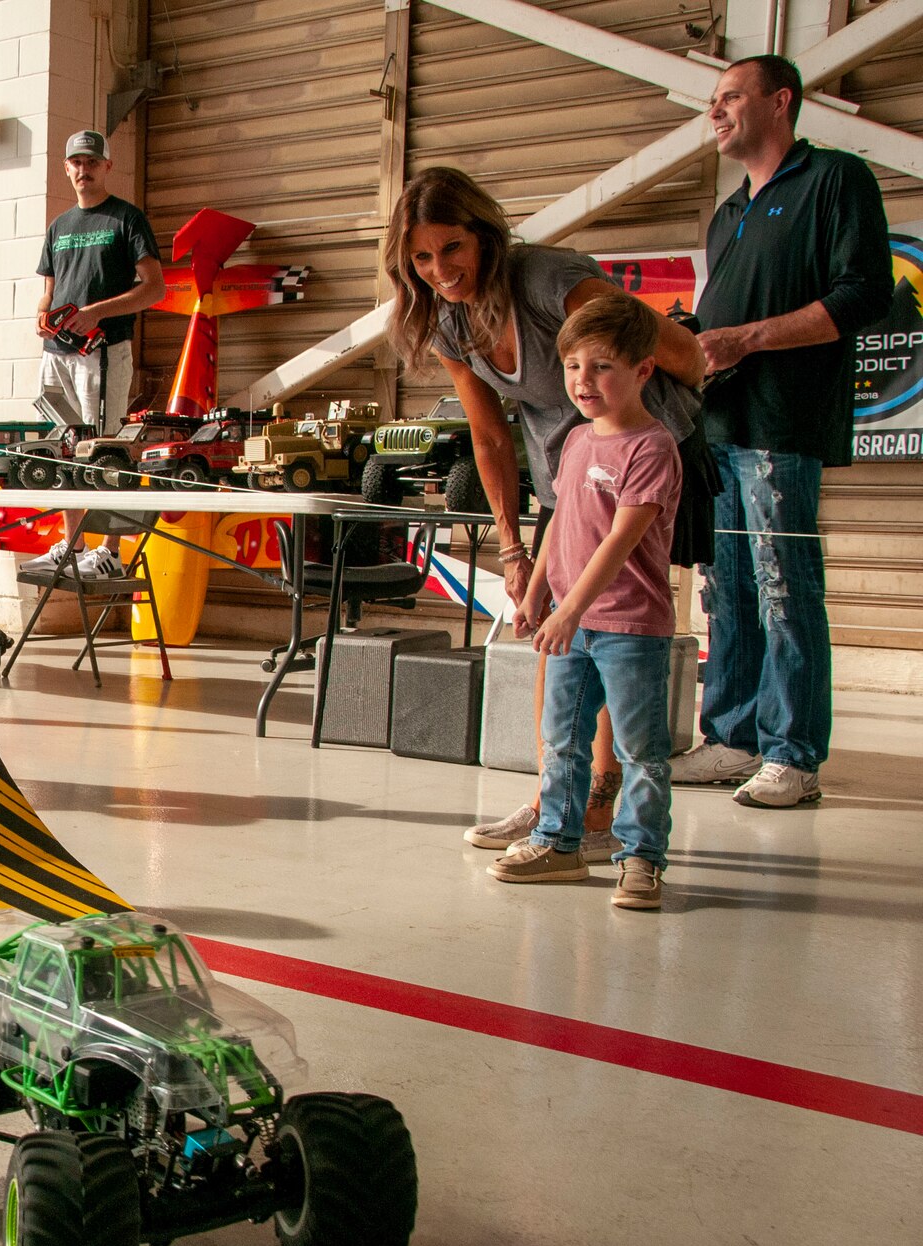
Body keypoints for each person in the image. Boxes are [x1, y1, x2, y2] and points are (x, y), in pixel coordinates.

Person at [381, 165, 705, 861]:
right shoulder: (448, 320)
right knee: (549, 629)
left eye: (452, 249)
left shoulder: (550, 280)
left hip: (636, 464)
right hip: (564, 475)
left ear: (484, 236)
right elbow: (491, 436)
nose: (440, 269)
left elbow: (682, 355)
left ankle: (602, 796)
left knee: (615, 625)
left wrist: (630, 442)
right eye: (422, 258)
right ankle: (550, 800)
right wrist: (512, 546)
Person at [670, 56, 893, 808]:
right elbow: (721, 318)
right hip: (720, 427)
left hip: (783, 426)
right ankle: (733, 738)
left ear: (780, 101)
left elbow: (864, 295)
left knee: (782, 587)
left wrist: (749, 340)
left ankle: (793, 754)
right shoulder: (728, 211)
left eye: (731, 95)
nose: (716, 110)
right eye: (714, 99)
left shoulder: (834, 180)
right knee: (725, 590)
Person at [489, 296, 684, 910]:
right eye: (573, 366)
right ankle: (559, 843)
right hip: (569, 623)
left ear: (643, 371)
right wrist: (537, 594)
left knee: (639, 750)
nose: (582, 382)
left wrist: (570, 608)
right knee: (563, 738)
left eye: (601, 367)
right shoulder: (574, 441)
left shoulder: (651, 449)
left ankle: (641, 856)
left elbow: (621, 542)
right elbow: (558, 524)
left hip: (629, 628)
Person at [22, 129, 165, 578]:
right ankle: (72, 546)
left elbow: (154, 288)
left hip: (101, 353)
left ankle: (110, 553)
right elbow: (48, 289)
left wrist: (97, 314)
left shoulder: (126, 220)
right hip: (56, 355)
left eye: (91, 162)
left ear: (106, 166)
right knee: (61, 450)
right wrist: (43, 314)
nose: (83, 170)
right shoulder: (59, 227)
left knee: (105, 452)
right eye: (75, 163)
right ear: (66, 169)